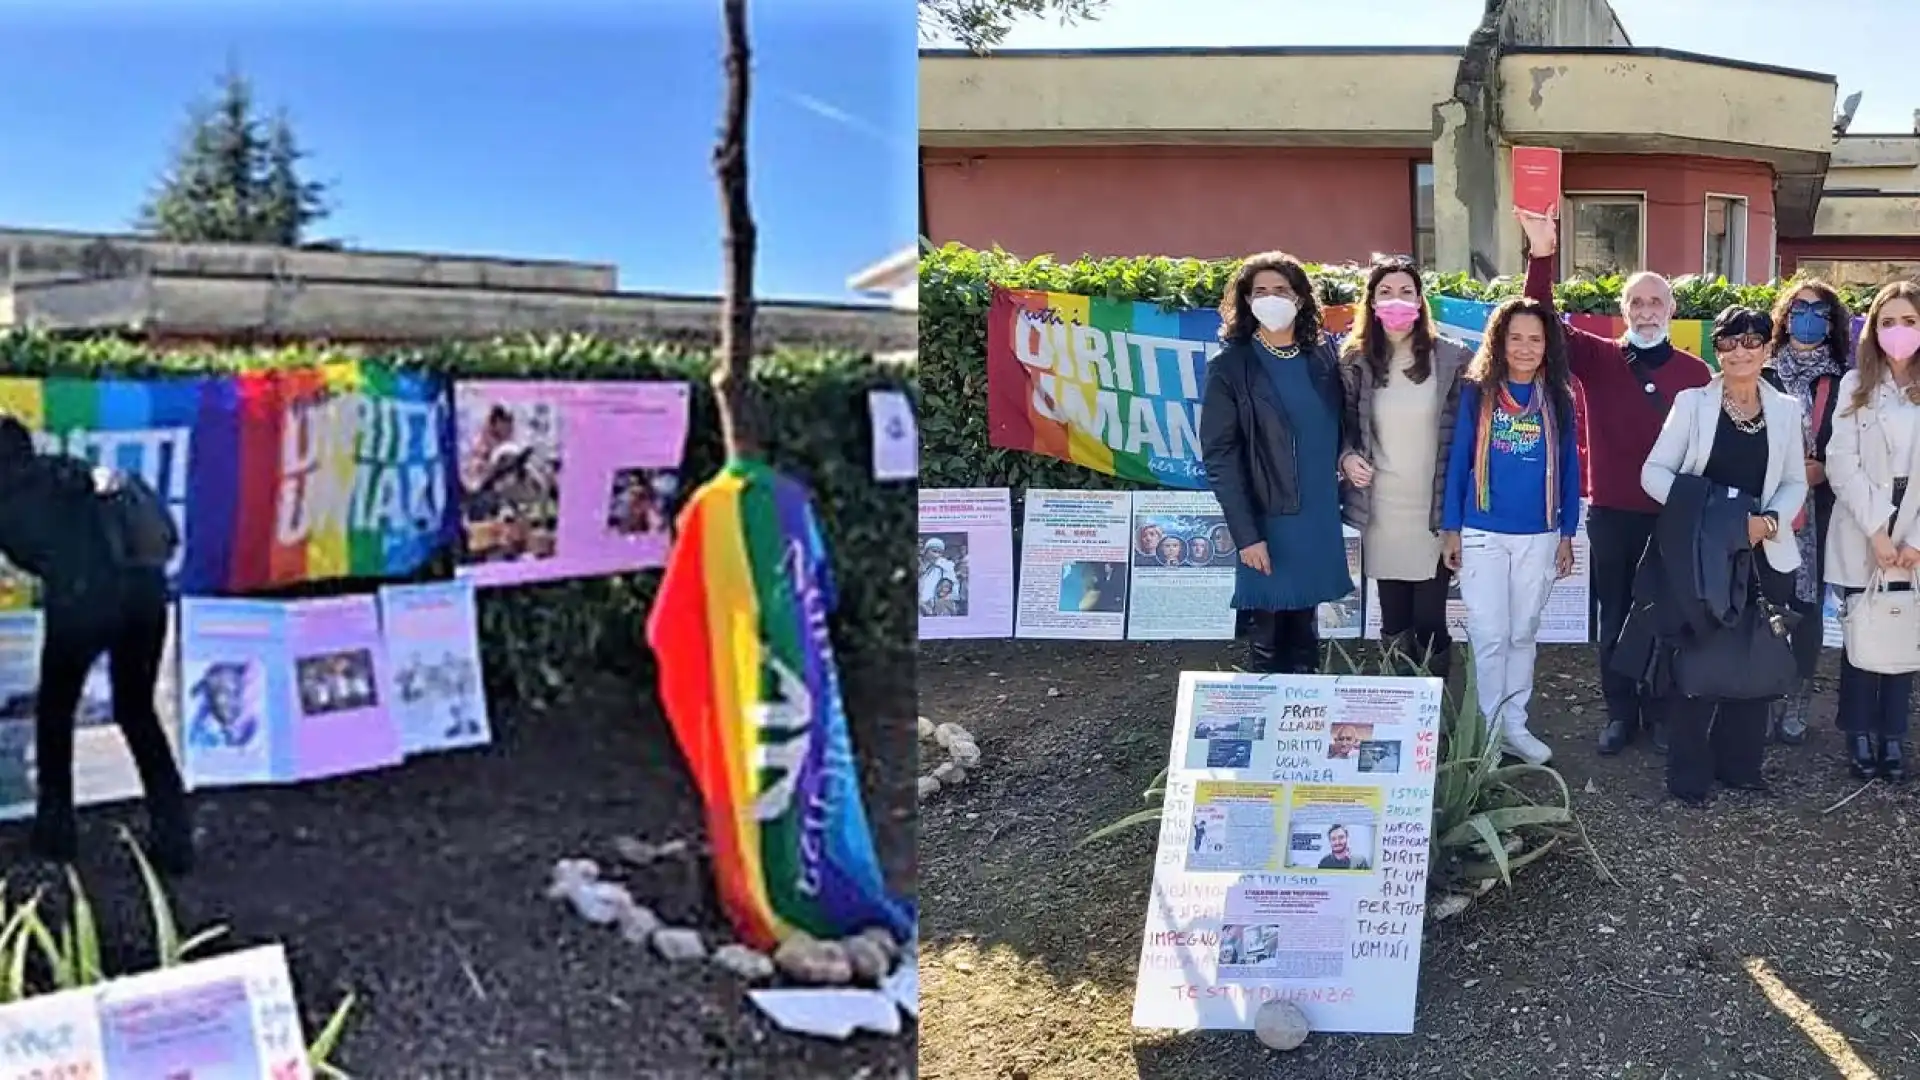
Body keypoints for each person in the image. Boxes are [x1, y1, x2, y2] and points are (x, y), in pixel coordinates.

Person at [1516, 209, 1713, 755]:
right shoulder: (1599, 359)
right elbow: (1539, 317)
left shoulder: (1696, 375)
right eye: (1637, 302)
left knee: (1673, 616)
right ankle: (1621, 713)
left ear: (1672, 311)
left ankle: (1665, 710)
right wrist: (1542, 253)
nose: (1647, 311)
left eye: (1656, 302)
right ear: (1622, 310)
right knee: (1616, 615)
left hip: (1673, 516)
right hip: (1612, 514)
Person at [0, 417, 193, 873]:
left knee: (55, 715)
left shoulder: (7, 498)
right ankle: (174, 839)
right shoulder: (68, 469)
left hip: (83, 605)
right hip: (147, 596)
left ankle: (56, 833)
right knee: (138, 711)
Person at [1639, 306, 1807, 805]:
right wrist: (1713, 517)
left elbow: (1796, 479)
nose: (1740, 351)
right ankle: (1689, 774)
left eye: (1752, 341)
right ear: (1717, 350)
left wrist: (1769, 522)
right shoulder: (1692, 403)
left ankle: (1741, 766)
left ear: (1768, 347)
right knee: (1698, 655)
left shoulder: (1785, 409)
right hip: (1701, 554)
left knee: (1754, 655)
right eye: (1729, 342)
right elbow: (1654, 474)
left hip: (1763, 550)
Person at [1438, 298, 1581, 765]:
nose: (1524, 347)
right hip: (1482, 531)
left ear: (1547, 346)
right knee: (1489, 633)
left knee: (1523, 631)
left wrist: (1566, 532)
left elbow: (1570, 468)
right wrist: (1452, 527)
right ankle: (1487, 730)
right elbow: (1460, 459)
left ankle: (1514, 725)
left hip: (1538, 533)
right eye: (1515, 337)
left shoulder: (1559, 396)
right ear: (1499, 341)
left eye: (1535, 339)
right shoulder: (1476, 392)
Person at [1200, 252, 1354, 674]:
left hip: (1317, 515)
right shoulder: (1231, 367)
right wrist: (1247, 536)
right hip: (1266, 518)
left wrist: (1349, 454)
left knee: (1305, 626)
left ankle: (1303, 722)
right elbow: (1220, 456)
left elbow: (1339, 425)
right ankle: (1266, 719)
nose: (1271, 298)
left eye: (1281, 290)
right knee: (1268, 628)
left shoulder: (1321, 358)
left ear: (1301, 299)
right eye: (1260, 291)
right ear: (1246, 302)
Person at [1336, 255, 1476, 680]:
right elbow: (1337, 425)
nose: (1396, 300)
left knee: (1431, 621)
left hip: (1431, 512)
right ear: (1370, 302)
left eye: (1406, 292)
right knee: (1394, 620)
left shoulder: (1453, 358)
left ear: (1420, 301)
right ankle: (1400, 715)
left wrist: (1456, 519)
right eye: (1385, 292)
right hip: (1382, 511)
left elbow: (1467, 440)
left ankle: (1436, 719)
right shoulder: (1354, 359)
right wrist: (1345, 457)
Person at [1822, 280, 1920, 781]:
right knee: (1863, 632)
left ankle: (1892, 737)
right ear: (1873, 330)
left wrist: (1914, 541)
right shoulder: (1855, 384)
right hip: (1863, 526)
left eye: (1909, 320)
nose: (1898, 331)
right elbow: (1841, 463)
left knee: (1903, 626)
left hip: (1914, 529)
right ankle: (1858, 732)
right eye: (1888, 321)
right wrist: (1879, 533)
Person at [1762, 280, 1850, 744]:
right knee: (1763, 599)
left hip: (1819, 511)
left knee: (1806, 605)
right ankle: (1761, 692)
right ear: (1785, 316)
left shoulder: (1843, 379)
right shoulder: (1764, 371)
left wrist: (1825, 471)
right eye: (1799, 309)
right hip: (1766, 508)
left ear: (1832, 324)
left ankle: (1797, 694)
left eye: (1819, 312)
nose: (1808, 318)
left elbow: (1854, 445)